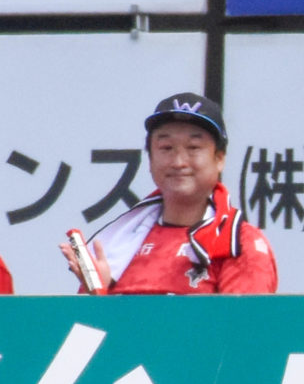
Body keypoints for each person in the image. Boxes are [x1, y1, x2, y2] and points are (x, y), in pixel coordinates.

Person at [59, 93, 278, 295]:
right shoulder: (120, 242)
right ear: (150, 160)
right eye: (166, 148)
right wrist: (97, 295)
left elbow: (243, 323)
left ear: (219, 158)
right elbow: (87, 323)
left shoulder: (239, 243)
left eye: (193, 148)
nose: (179, 162)